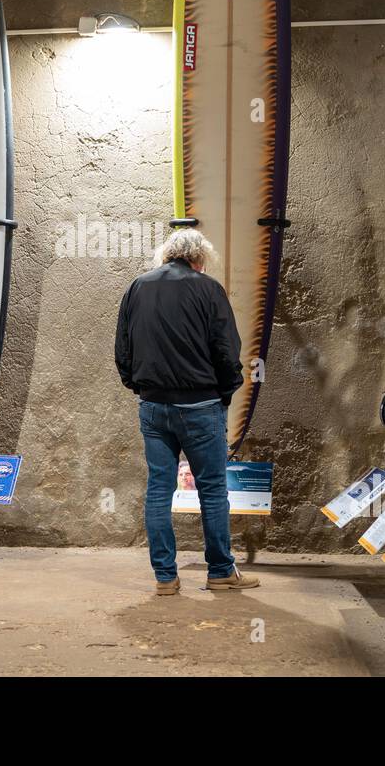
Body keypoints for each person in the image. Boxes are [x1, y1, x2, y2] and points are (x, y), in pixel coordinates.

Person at [114, 229, 259, 595]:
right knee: (212, 491)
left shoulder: (137, 287)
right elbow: (228, 349)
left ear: (166, 256)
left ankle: (165, 577)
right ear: (199, 260)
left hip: (153, 405)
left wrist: (140, 386)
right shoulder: (208, 289)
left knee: (159, 490)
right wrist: (225, 390)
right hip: (200, 406)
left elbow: (123, 347)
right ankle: (220, 572)